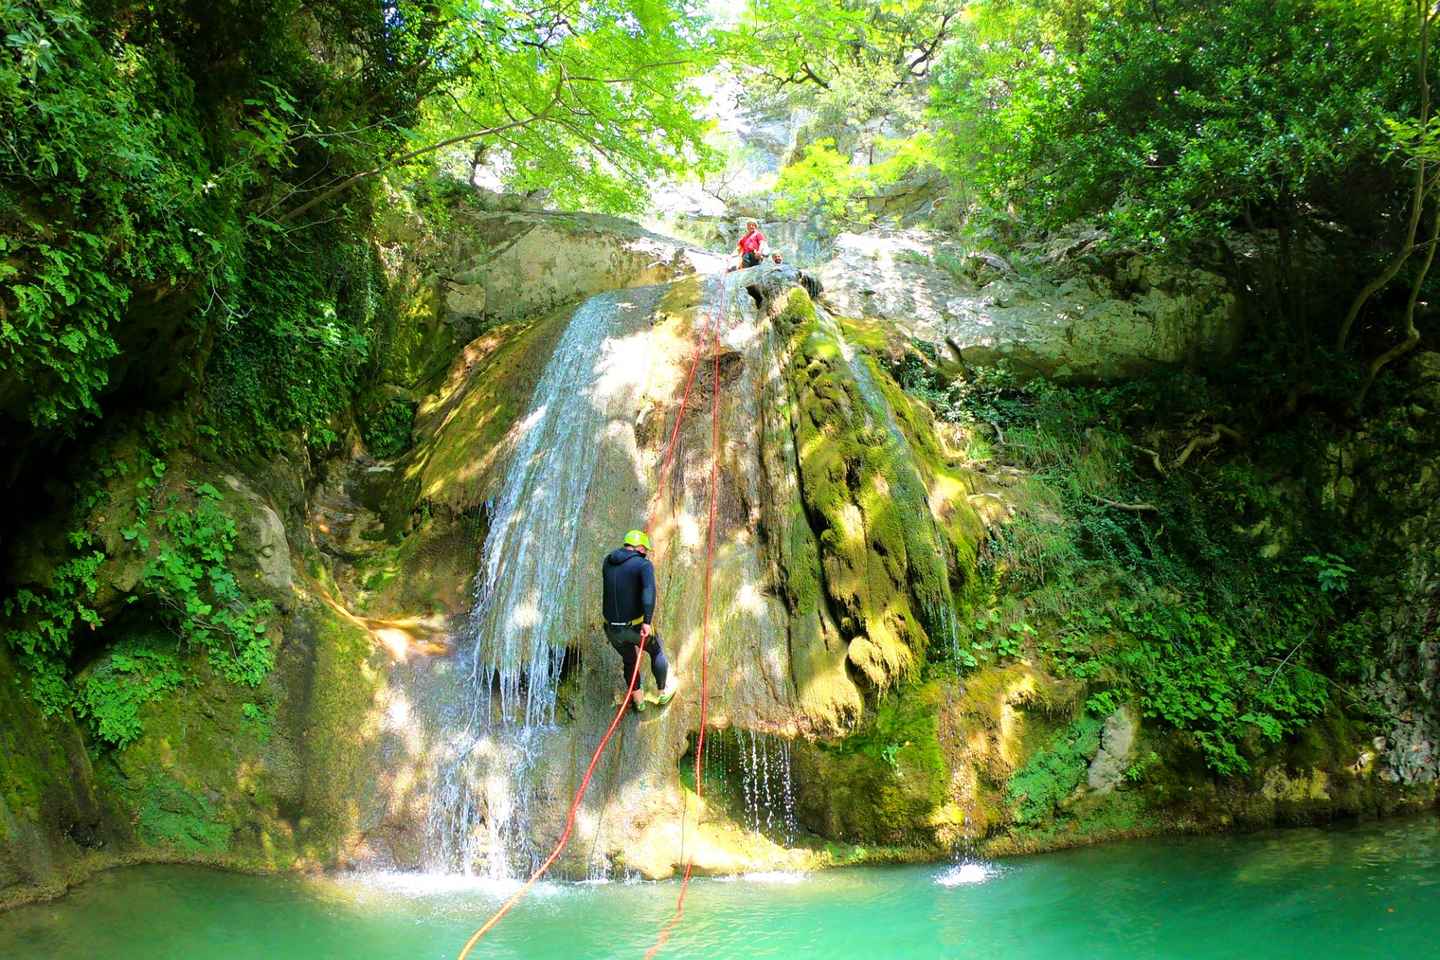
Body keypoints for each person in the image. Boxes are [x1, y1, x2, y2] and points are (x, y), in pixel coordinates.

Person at [601, 529, 675, 712]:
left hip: (612, 630)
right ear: (640, 548)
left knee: (629, 660)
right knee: (656, 650)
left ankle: (639, 701)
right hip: (633, 628)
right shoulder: (643, 565)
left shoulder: (608, 561)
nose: (646, 553)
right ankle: (662, 692)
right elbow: (648, 593)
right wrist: (647, 622)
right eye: (645, 550)